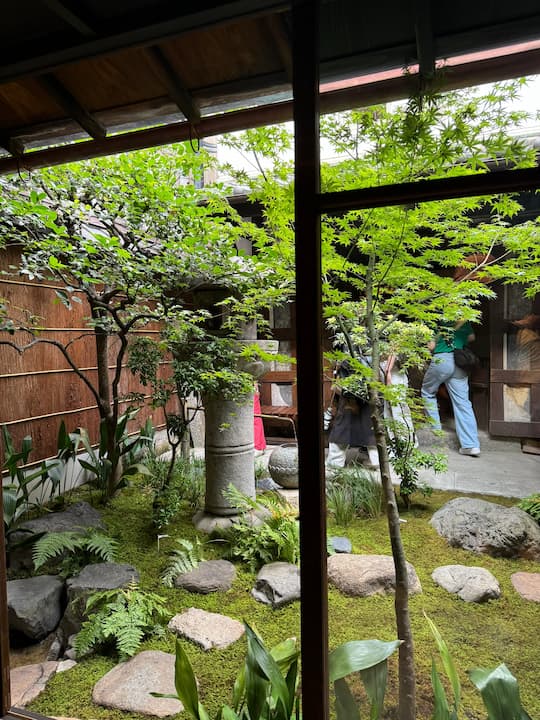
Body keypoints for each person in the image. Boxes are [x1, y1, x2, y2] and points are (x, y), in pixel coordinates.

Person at [421, 320, 480, 456]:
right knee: (463, 402)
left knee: (428, 391)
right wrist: (459, 339)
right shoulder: (465, 319)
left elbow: (431, 346)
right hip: (460, 360)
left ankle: (435, 428)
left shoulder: (435, 320)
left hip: (442, 360)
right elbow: (472, 338)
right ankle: (471, 445)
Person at [325, 359, 378, 471]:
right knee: (369, 426)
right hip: (366, 386)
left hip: (356, 386)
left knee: (344, 427)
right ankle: (376, 461)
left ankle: (335, 462)